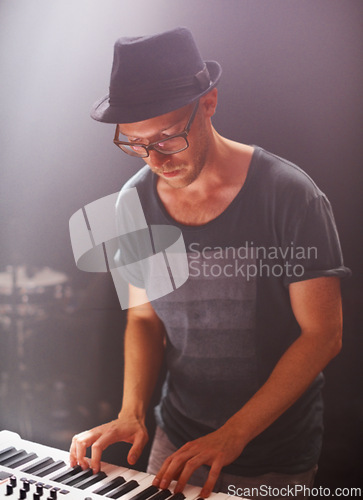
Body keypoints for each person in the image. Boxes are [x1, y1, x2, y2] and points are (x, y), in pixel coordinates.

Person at [69, 27, 350, 498]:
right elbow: (143, 316)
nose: (154, 158)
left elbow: (323, 335)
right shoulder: (131, 202)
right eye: (135, 143)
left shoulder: (288, 194)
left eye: (167, 137)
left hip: (273, 457)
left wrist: (232, 435)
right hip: (175, 443)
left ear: (209, 103)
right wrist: (131, 412)